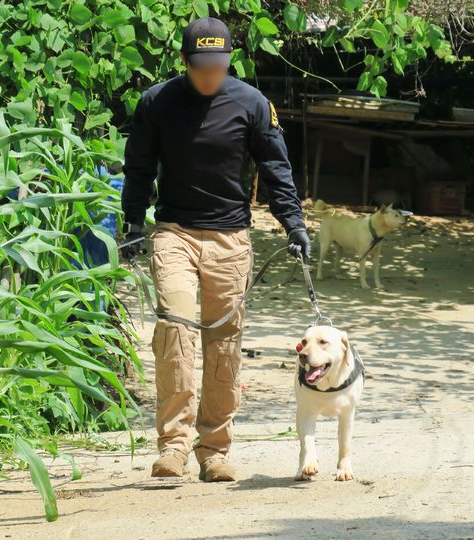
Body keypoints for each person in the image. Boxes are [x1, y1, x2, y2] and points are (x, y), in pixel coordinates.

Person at [120, 16, 310, 482]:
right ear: (184, 61)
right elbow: (139, 167)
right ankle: (174, 445)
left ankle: (215, 449)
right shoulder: (157, 103)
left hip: (230, 239)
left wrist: (294, 224)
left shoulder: (252, 103)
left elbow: (276, 168)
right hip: (175, 233)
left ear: (229, 62)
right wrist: (131, 221)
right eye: (201, 66)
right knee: (175, 334)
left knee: (223, 346)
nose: (210, 75)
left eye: (219, 66)